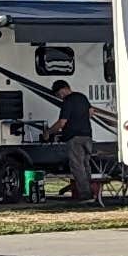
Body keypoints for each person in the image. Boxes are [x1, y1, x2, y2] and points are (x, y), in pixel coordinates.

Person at [44, 78, 98, 206]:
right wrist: (81, 119)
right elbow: (91, 112)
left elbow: (62, 122)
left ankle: (85, 195)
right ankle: (91, 192)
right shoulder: (82, 97)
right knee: (86, 165)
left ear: (62, 90)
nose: (59, 97)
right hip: (87, 136)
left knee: (77, 167)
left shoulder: (67, 101)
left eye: (58, 94)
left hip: (74, 138)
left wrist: (48, 132)